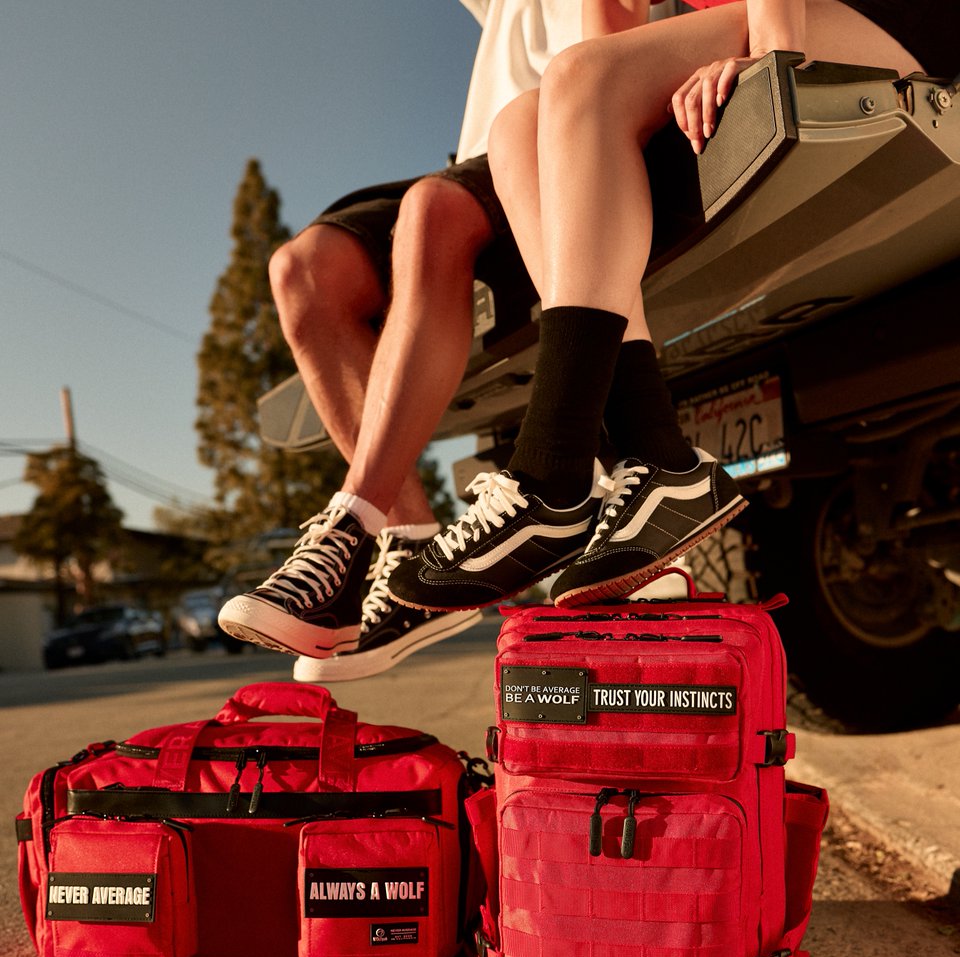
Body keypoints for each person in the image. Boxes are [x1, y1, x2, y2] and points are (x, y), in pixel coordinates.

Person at [386, 0, 946, 613]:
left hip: (850, 17)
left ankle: (552, 469)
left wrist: (767, 54)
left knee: (580, 78)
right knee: (521, 123)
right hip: (740, 31)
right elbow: (603, 47)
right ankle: (654, 454)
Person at [218, 1, 595, 680]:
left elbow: (604, 67)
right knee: (301, 270)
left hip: (551, 143)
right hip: (477, 161)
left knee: (432, 208)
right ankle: (409, 537)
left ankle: (353, 520)